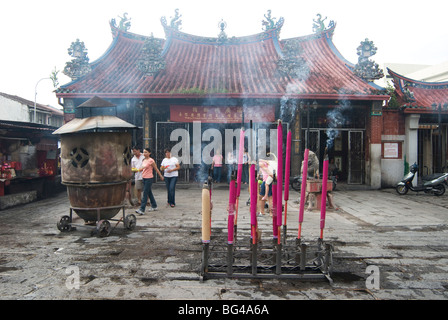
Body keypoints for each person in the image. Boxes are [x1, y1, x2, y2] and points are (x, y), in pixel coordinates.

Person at [135, 148, 164, 215]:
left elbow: (156, 169)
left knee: (145, 193)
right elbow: (142, 168)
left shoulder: (151, 160)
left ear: (149, 153)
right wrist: (138, 170)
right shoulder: (144, 160)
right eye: (144, 152)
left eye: (146, 152)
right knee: (149, 192)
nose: (144, 153)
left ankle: (142, 209)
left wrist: (160, 176)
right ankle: (154, 205)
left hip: (149, 178)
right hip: (144, 178)